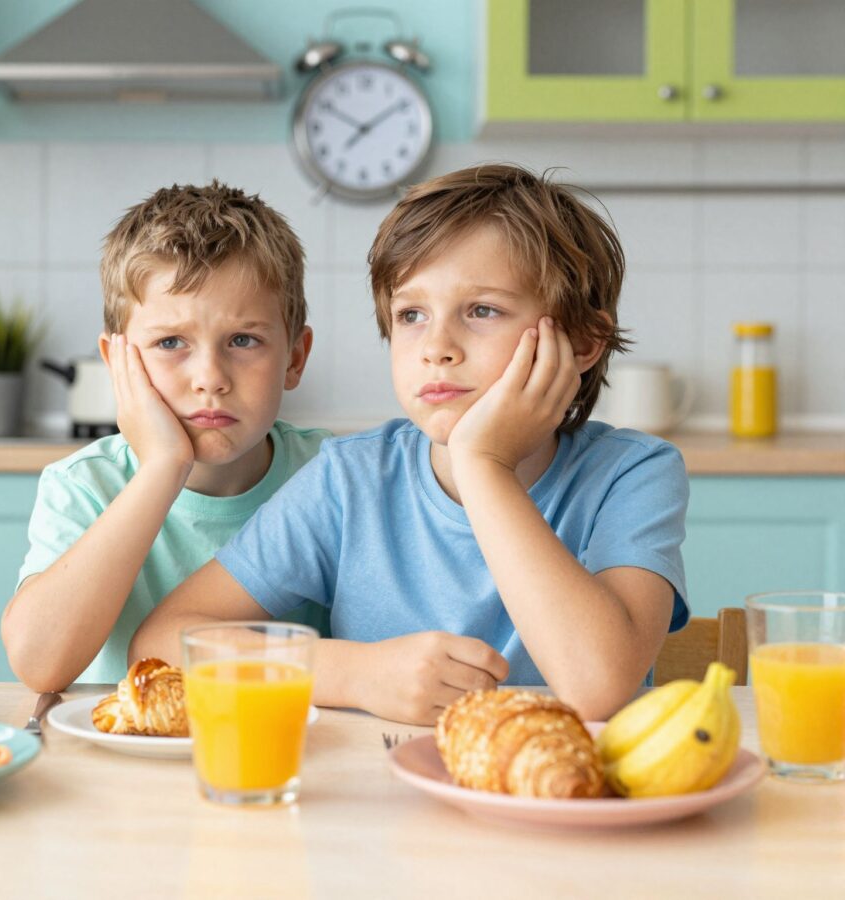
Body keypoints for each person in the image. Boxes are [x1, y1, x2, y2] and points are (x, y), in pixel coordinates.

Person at [130, 163, 690, 724]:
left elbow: (597, 687)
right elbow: (163, 644)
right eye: (412, 314)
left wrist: (483, 463)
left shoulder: (633, 474)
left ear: (584, 340)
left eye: (482, 310)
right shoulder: (350, 480)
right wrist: (352, 673)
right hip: (387, 792)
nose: (437, 347)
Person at [2, 181, 328, 691]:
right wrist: (161, 468)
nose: (210, 377)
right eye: (171, 342)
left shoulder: (332, 476)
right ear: (117, 363)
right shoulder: (85, 485)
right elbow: (40, 664)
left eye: (244, 340)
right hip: (117, 759)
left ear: (295, 356)